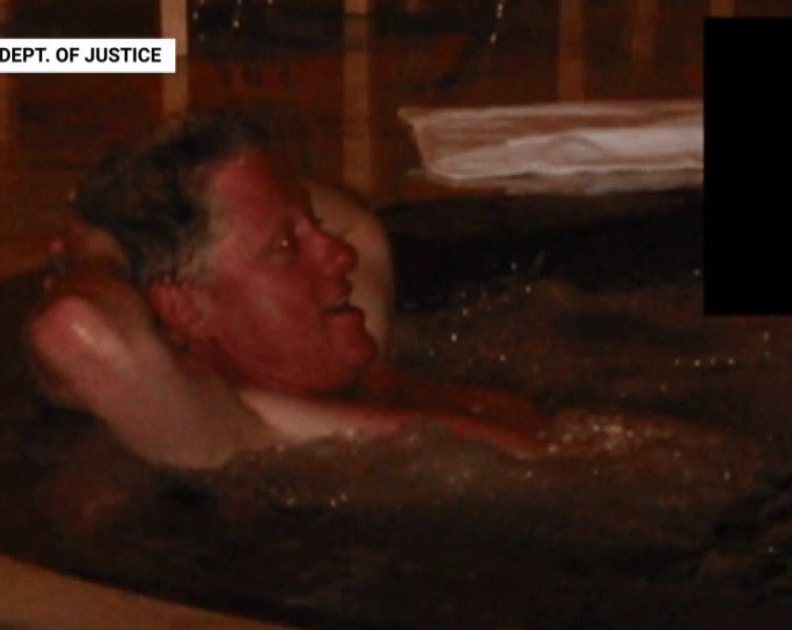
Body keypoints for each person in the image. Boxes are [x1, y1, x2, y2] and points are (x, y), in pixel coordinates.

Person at [28, 113, 545, 470]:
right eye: (285, 246)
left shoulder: (350, 349)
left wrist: (129, 221)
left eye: (313, 224)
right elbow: (75, 332)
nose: (339, 254)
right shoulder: (230, 429)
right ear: (186, 307)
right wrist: (97, 248)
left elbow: (354, 224)